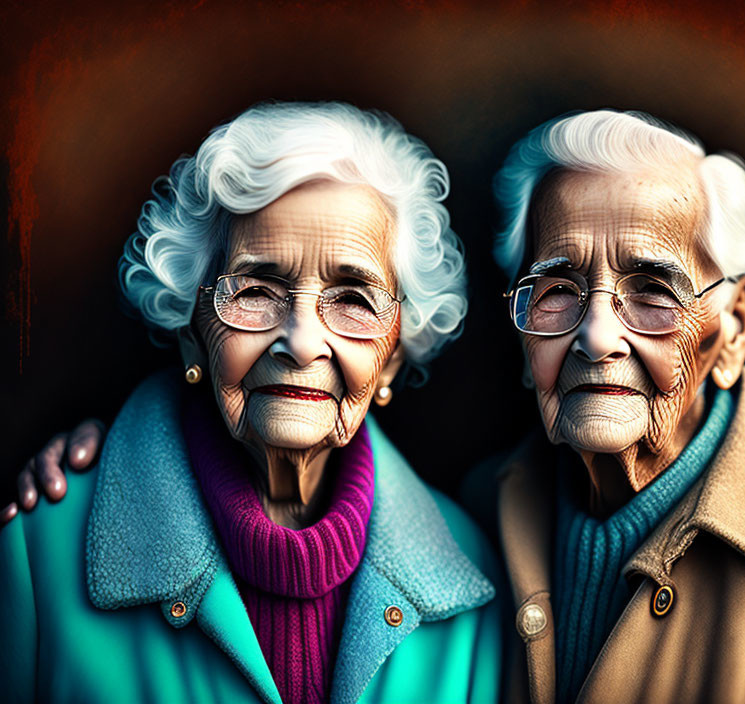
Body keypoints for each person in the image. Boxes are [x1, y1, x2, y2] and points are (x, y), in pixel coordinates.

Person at [0, 101, 501, 704]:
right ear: (192, 330)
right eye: (257, 289)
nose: (301, 342)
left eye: (354, 299)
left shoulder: (475, 583)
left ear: (393, 355)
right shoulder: (39, 549)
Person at [488, 110, 745, 702]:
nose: (597, 336)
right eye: (557, 290)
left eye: (653, 289)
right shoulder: (478, 516)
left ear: (733, 327)